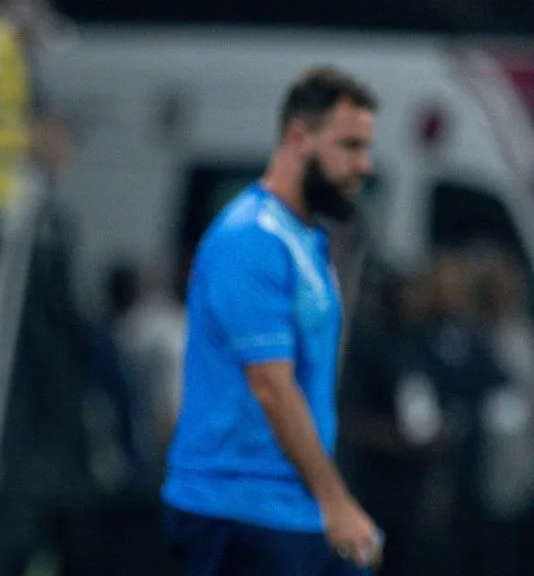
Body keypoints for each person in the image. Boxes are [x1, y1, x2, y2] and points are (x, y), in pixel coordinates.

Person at [161, 67, 383, 576]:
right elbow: (270, 384)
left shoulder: (305, 238)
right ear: (298, 137)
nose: (364, 165)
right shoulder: (250, 239)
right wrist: (336, 501)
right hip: (237, 507)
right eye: (349, 145)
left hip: (286, 505)